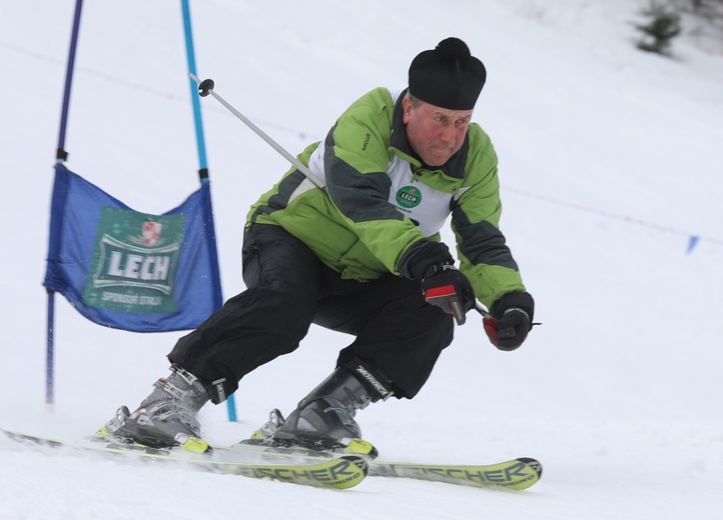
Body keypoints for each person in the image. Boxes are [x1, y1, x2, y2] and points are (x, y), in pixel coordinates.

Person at [100, 37, 535, 456]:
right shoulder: (367, 120)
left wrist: (508, 300)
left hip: (372, 274)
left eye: (462, 122)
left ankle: (323, 413)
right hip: (290, 239)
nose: (450, 136)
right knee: (284, 303)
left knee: (432, 313)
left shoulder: (475, 157)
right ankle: (164, 405)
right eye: (439, 119)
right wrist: (426, 260)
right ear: (408, 107)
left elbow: (481, 239)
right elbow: (362, 202)